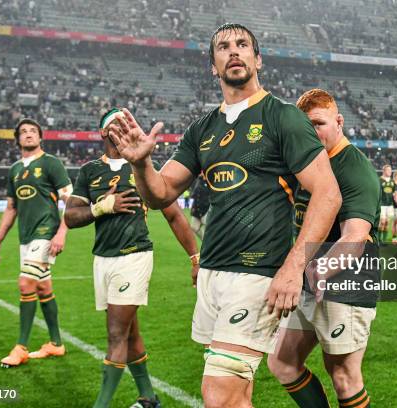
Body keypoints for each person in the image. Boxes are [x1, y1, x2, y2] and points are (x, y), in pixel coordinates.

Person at [108, 23, 341, 408]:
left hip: (259, 272)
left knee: (220, 393)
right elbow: (161, 192)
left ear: (257, 58)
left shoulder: (282, 116)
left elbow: (328, 194)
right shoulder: (202, 129)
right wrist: (141, 164)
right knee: (236, 393)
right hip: (213, 272)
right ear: (213, 66)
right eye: (223, 47)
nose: (233, 51)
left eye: (242, 44)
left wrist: (292, 267)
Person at [65, 108, 199, 408]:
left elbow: (175, 216)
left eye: (125, 120)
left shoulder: (141, 167)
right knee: (129, 334)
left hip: (134, 256)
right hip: (102, 259)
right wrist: (103, 206)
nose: (121, 125)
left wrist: (195, 256)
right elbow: (71, 217)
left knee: (115, 334)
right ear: (102, 132)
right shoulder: (89, 171)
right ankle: (148, 397)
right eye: (113, 121)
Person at [267, 89, 380, 408]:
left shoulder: (353, 167)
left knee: (344, 375)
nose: (313, 133)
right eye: (307, 127)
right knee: (282, 363)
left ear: (339, 121)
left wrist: (317, 272)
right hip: (309, 278)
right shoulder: (308, 165)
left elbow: (355, 237)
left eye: (319, 123)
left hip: (347, 281)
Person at [0, 118, 72, 368]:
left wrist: (62, 233)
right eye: (23, 132)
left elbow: (71, 200)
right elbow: (11, 208)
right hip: (25, 238)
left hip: (46, 233)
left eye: (32, 131)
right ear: (17, 139)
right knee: (43, 289)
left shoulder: (51, 163)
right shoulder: (14, 169)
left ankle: (21, 347)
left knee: (26, 284)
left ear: (40, 137)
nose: (28, 135)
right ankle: (56, 344)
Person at [378, 165, 397, 243]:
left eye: (391, 170)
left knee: (387, 223)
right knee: (382, 222)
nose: (390, 172)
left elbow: (394, 192)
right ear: (384, 171)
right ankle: (379, 240)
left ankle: (384, 241)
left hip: (390, 205)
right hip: (382, 204)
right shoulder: (379, 180)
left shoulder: (392, 181)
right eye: (388, 170)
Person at [190, 174, 210, 240]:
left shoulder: (210, 181)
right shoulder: (198, 180)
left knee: (206, 229)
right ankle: (205, 241)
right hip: (197, 209)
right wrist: (193, 207)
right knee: (194, 227)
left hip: (207, 209)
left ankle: (206, 245)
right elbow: (195, 195)